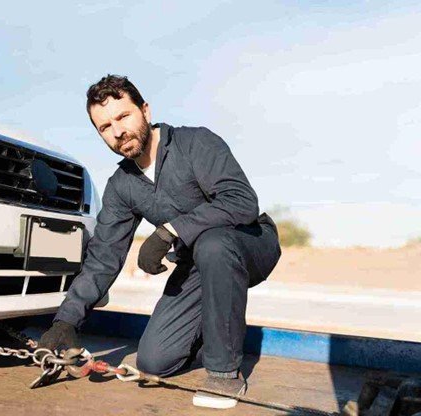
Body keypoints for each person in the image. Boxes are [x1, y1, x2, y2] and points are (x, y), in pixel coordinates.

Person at [38, 74, 281, 409]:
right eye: (105, 127)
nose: (117, 131)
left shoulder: (195, 143)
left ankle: (225, 374)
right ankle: (212, 331)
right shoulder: (122, 185)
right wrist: (65, 321)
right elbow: (103, 258)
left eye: (123, 116)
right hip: (199, 263)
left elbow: (241, 201)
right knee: (154, 361)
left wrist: (170, 230)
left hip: (250, 243)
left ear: (146, 111)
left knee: (213, 244)